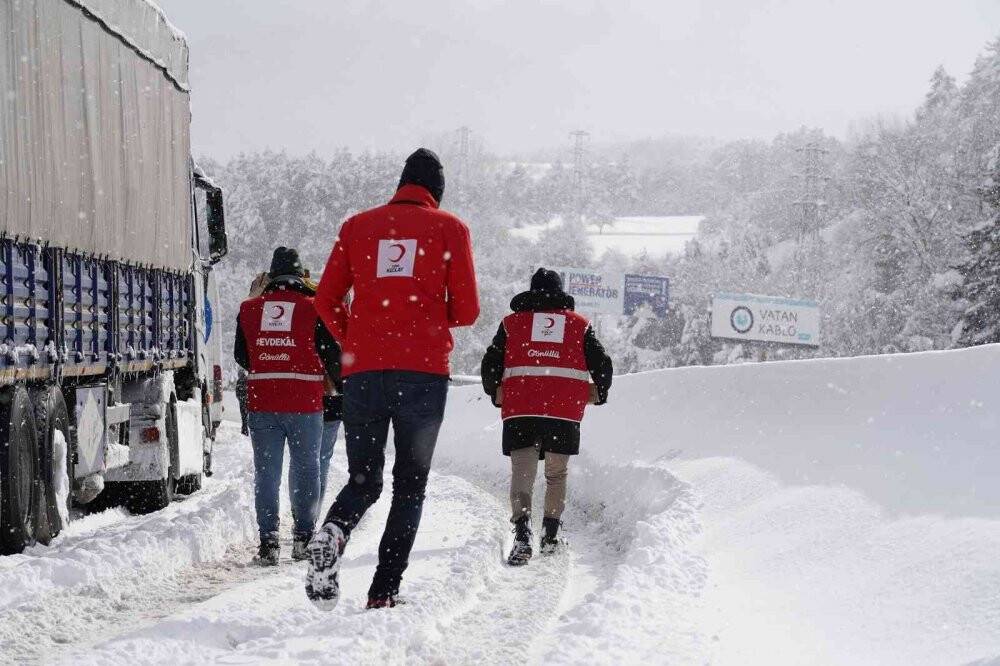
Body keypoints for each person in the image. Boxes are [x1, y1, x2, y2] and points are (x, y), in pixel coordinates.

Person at [306, 148, 479, 610]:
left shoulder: (357, 227)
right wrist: (423, 318)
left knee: (364, 480)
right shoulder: (450, 228)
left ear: (401, 183)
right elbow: (467, 311)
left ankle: (334, 531)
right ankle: (383, 590)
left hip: (364, 374)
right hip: (422, 374)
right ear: (436, 192)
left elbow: (324, 299)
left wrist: (356, 338)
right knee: (410, 484)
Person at [480, 268, 613, 566]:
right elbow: (602, 364)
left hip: (521, 409)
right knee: (556, 474)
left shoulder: (511, 324)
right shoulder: (579, 326)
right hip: (563, 412)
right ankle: (550, 535)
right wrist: (599, 392)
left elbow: (490, 363)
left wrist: (495, 391)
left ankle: (522, 533)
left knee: (522, 473)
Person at [234, 249, 342, 566]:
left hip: (263, 403)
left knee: (267, 474)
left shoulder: (249, 309)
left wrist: (270, 359)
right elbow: (331, 357)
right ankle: (303, 539)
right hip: (304, 405)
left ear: (270, 277)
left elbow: (242, 356)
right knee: (307, 469)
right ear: (300, 277)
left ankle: (268, 543)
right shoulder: (313, 308)